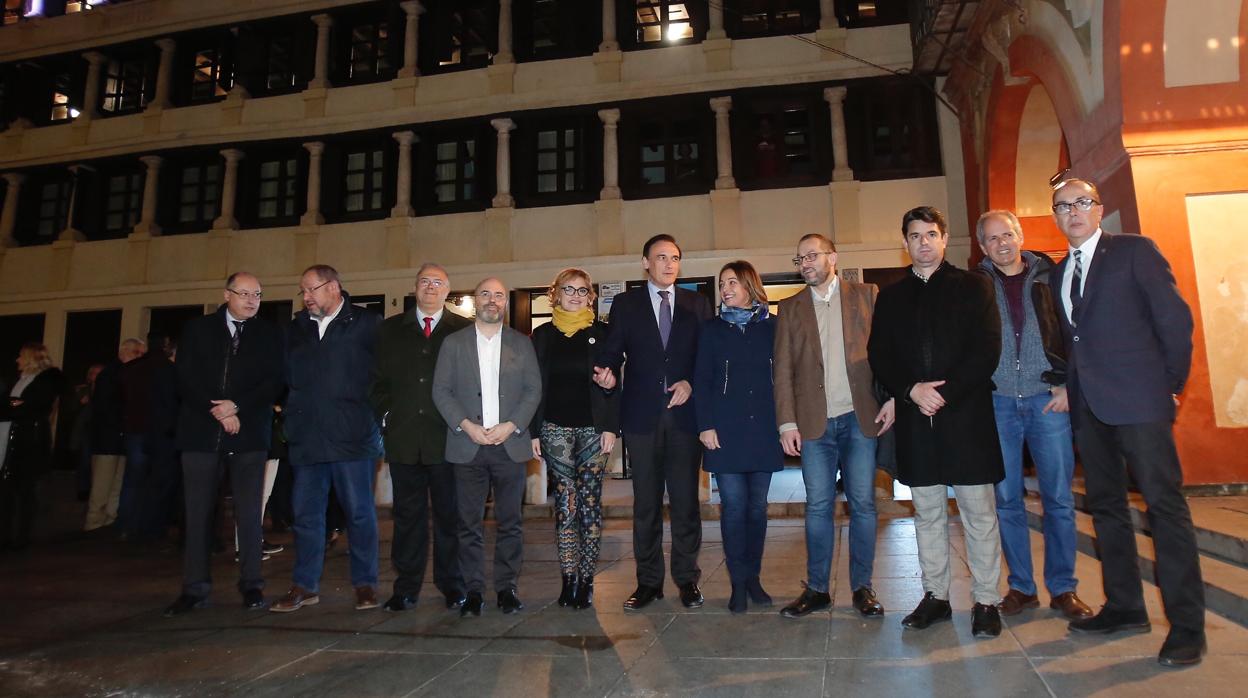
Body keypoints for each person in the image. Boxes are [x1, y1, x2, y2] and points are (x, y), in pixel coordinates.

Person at [1051, 178, 1205, 667]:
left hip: (1141, 403)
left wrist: (1168, 388)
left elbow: (1175, 322)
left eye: (1081, 203)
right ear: (1055, 217)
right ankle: (1124, 607)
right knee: (1107, 508)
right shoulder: (1059, 273)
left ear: (1098, 209)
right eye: (1062, 206)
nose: (1072, 212)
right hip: (1090, 409)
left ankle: (1186, 628)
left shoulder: (1135, 251)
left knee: (1165, 509)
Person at [868, 205, 1006, 639]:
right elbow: (880, 355)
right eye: (914, 235)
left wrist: (942, 394)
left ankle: (987, 600)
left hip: (965, 417)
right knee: (926, 513)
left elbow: (987, 350)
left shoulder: (975, 286)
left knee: (978, 514)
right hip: (916, 421)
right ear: (905, 242)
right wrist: (910, 390)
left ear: (944, 239)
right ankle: (937, 597)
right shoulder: (890, 296)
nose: (923, 242)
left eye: (931, 234)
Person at [975, 210, 1093, 621]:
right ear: (982, 246)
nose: (1001, 243)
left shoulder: (1053, 277)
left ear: (1020, 235)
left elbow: (1078, 332)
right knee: (1007, 500)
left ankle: (1063, 589)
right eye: (992, 238)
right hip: (998, 402)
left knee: (1058, 499)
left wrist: (1068, 385)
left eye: (1007, 234)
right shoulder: (976, 286)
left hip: (1048, 400)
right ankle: (1021, 588)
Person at [773, 233, 893, 619]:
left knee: (863, 505)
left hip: (860, 420)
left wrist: (892, 396)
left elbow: (888, 351)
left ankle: (863, 588)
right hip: (814, 425)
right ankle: (818, 589)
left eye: (812, 255)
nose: (805, 263)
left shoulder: (867, 295)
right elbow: (783, 369)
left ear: (833, 257)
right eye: (800, 258)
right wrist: (786, 422)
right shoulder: (790, 308)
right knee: (818, 507)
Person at [594, 234, 714, 611]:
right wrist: (608, 374)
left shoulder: (697, 303)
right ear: (645, 262)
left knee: (685, 504)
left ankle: (687, 580)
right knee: (645, 504)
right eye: (660, 257)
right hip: (642, 419)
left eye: (675, 258)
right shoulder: (626, 304)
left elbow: (709, 357)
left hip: (684, 418)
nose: (668, 264)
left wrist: (692, 383)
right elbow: (612, 352)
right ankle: (648, 582)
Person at [163, 273, 284, 617]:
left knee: (249, 514)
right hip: (201, 432)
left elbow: (274, 380)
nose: (250, 300)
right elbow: (185, 377)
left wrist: (237, 406)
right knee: (198, 513)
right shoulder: (198, 329)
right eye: (243, 293)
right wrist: (216, 410)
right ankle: (194, 588)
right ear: (226, 294)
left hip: (248, 434)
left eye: (257, 294)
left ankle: (252, 584)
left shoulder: (268, 333)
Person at [271, 265, 384, 613]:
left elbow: (385, 377)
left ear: (333, 287)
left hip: (353, 438)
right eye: (303, 291)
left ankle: (365, 584)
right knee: (306, 516)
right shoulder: (295, 330)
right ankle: (304, 585)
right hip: (307, 438)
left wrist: (377, 418)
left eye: (312, 290)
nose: (306, 298)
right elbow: (284, 377)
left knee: (359, 514)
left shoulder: (368, 324)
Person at [432, 278, 541, 618]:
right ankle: (474, 590)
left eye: (498, 295)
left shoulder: (522, 344)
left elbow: (532, 390)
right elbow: (441, 391)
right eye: (485, 294)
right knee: (468, 525)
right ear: (475, 301)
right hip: (468, 446)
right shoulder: (453, 343)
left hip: (510, 445)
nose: (492, 301)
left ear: (505, 302)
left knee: (511, 523)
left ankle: (507, 588)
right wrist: (468, 426)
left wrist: (511, 426)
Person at [371, 262, 471, 612]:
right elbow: (376, 381)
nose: (431, 287)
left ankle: (452, 585)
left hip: (448, 442)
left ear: (448, 290)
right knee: (407, 518)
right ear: (415, 287)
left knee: (450, 518)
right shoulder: (388, 330)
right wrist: (387, 413)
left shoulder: (464, 330)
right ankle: (406, 587)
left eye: (438, 282)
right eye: (425, 281)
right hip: (404, 440)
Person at [693, 261, 782, 613]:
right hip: (724, 432)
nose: (725, 288)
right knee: (732, 508)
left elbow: (786, 377)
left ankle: (754, 578)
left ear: (750, 285)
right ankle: (737, 583)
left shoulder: (774, 327)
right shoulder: (712, 330)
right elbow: (701, 381)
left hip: (763, 429)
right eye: (722, 283)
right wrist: (705, 425)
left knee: (757, 510)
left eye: (733, 282)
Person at [529, 268, 619, 611]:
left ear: (591, 297)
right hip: (554, 429)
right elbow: (534, 387)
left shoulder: (603, 334)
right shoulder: (541, 336)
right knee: (566, 505)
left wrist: (611, 425)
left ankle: (587, 580)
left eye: (583, 291)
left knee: (590, 504)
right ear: (556, 295)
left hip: (594, 430)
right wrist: (535, 430)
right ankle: (568, 580)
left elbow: (615, 382)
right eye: (569, 289)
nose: (576, 295)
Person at [0, 343, 65, 551]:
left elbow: (30, 408)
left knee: (23, 490)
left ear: (30, 358)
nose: (17, 360)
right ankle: (7, 535)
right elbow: (10, 405)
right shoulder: (19, 380)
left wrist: (13, 405)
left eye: (20, 356)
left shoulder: (43, 381)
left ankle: (21, 537)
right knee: (9, 490)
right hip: (11, 438)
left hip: (28, 441)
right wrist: (12, 404)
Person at [84, 337, 145, 532]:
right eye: (138, 353)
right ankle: (94, 523)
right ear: (125, 352)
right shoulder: (111, 375)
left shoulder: (121, 374)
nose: (141, 357)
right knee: (103, 484)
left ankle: (109, 520)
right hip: (108, 439)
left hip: (117, 437)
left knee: (116, 483)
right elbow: (106, 409)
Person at [118, 330, 173, 542]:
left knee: (133, 480)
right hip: (159, 432)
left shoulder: (132, 370)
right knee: (157, 482)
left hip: (135, 430)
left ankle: (126, 525)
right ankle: (151, 528)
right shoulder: (167, 369)